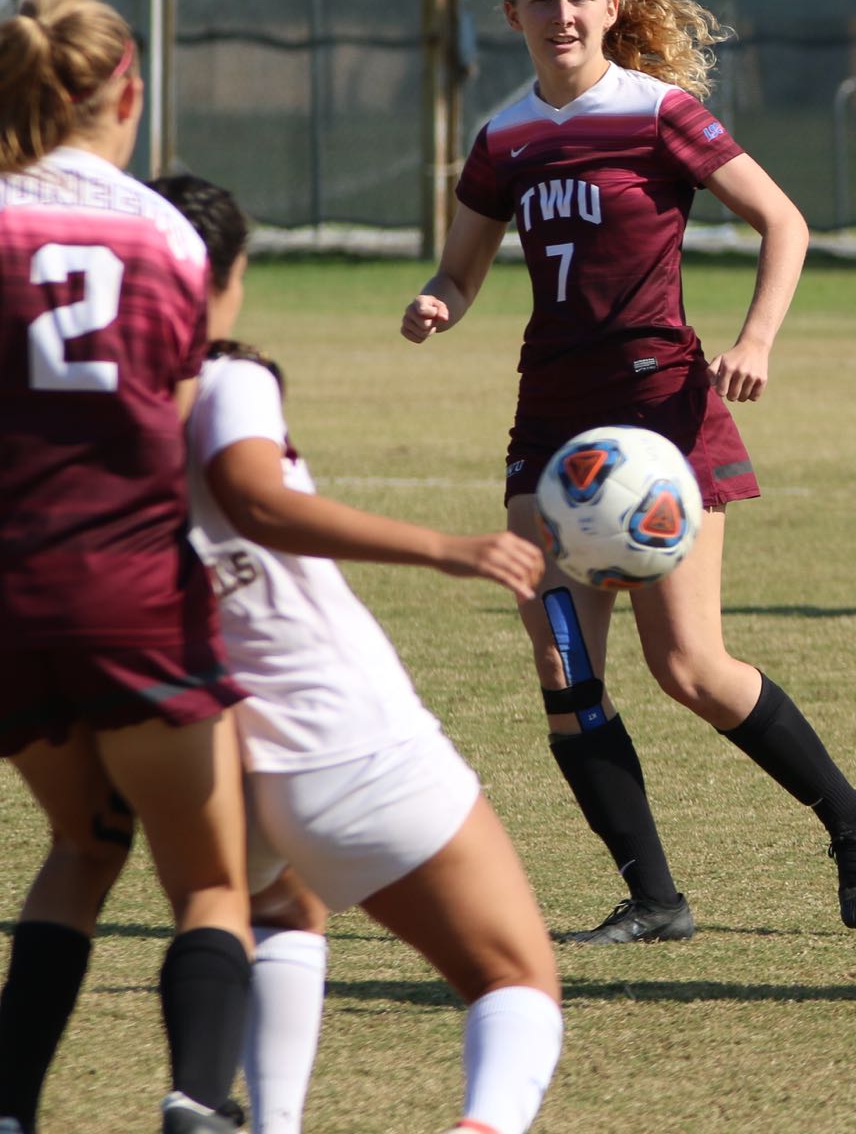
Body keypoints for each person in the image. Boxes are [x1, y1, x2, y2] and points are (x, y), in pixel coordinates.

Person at [400, 0, 856, 944]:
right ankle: (656, 898)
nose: (563, 16)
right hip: (549, 436)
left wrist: (757, 336)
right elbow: (461, 265)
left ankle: (850, 815)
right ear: (514, 17)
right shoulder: (503, 139)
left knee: (690, 669)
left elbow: (784, 221)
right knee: (565, 669)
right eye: (543, 0)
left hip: (659, 418)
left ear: (611, 9)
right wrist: (441, 300)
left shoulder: (659, 112)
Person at [148, 173, 562, 1134]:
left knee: (288, 911)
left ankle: (273, 1124)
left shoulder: (84, 402)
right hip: (338, 730)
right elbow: (253, 497)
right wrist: (446, 547)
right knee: (515, 978)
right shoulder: (228, 377)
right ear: (226, 275)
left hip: (210, 748)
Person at [0, 0, 251, 1134]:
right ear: (127, 92)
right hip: (131, 592)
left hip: (11, 600)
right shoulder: (163, 235)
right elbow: (187, 431)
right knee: (208, 879)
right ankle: (199, 1101)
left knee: (84, 838)